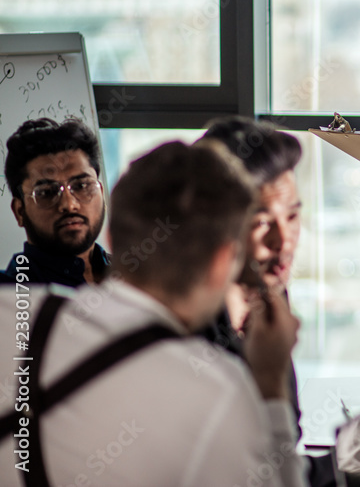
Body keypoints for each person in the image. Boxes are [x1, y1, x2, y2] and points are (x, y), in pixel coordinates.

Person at [0, 141, 305, 487]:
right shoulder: (217, 393)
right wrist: (270, 386)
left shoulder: (12, 309)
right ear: (225, 261)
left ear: (111, 236)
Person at [198, 117, 340, 487]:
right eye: (262, 223)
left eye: (292, 215)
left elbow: (282, 450)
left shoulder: (267, 293)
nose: (284, 240)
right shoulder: (190, 335)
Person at [3, 118, 110, 286]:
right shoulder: (8, 294)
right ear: (19, 211)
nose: (69, 205)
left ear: (102, 193)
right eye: (46, 192)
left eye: (81, 186)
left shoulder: (138, 279)